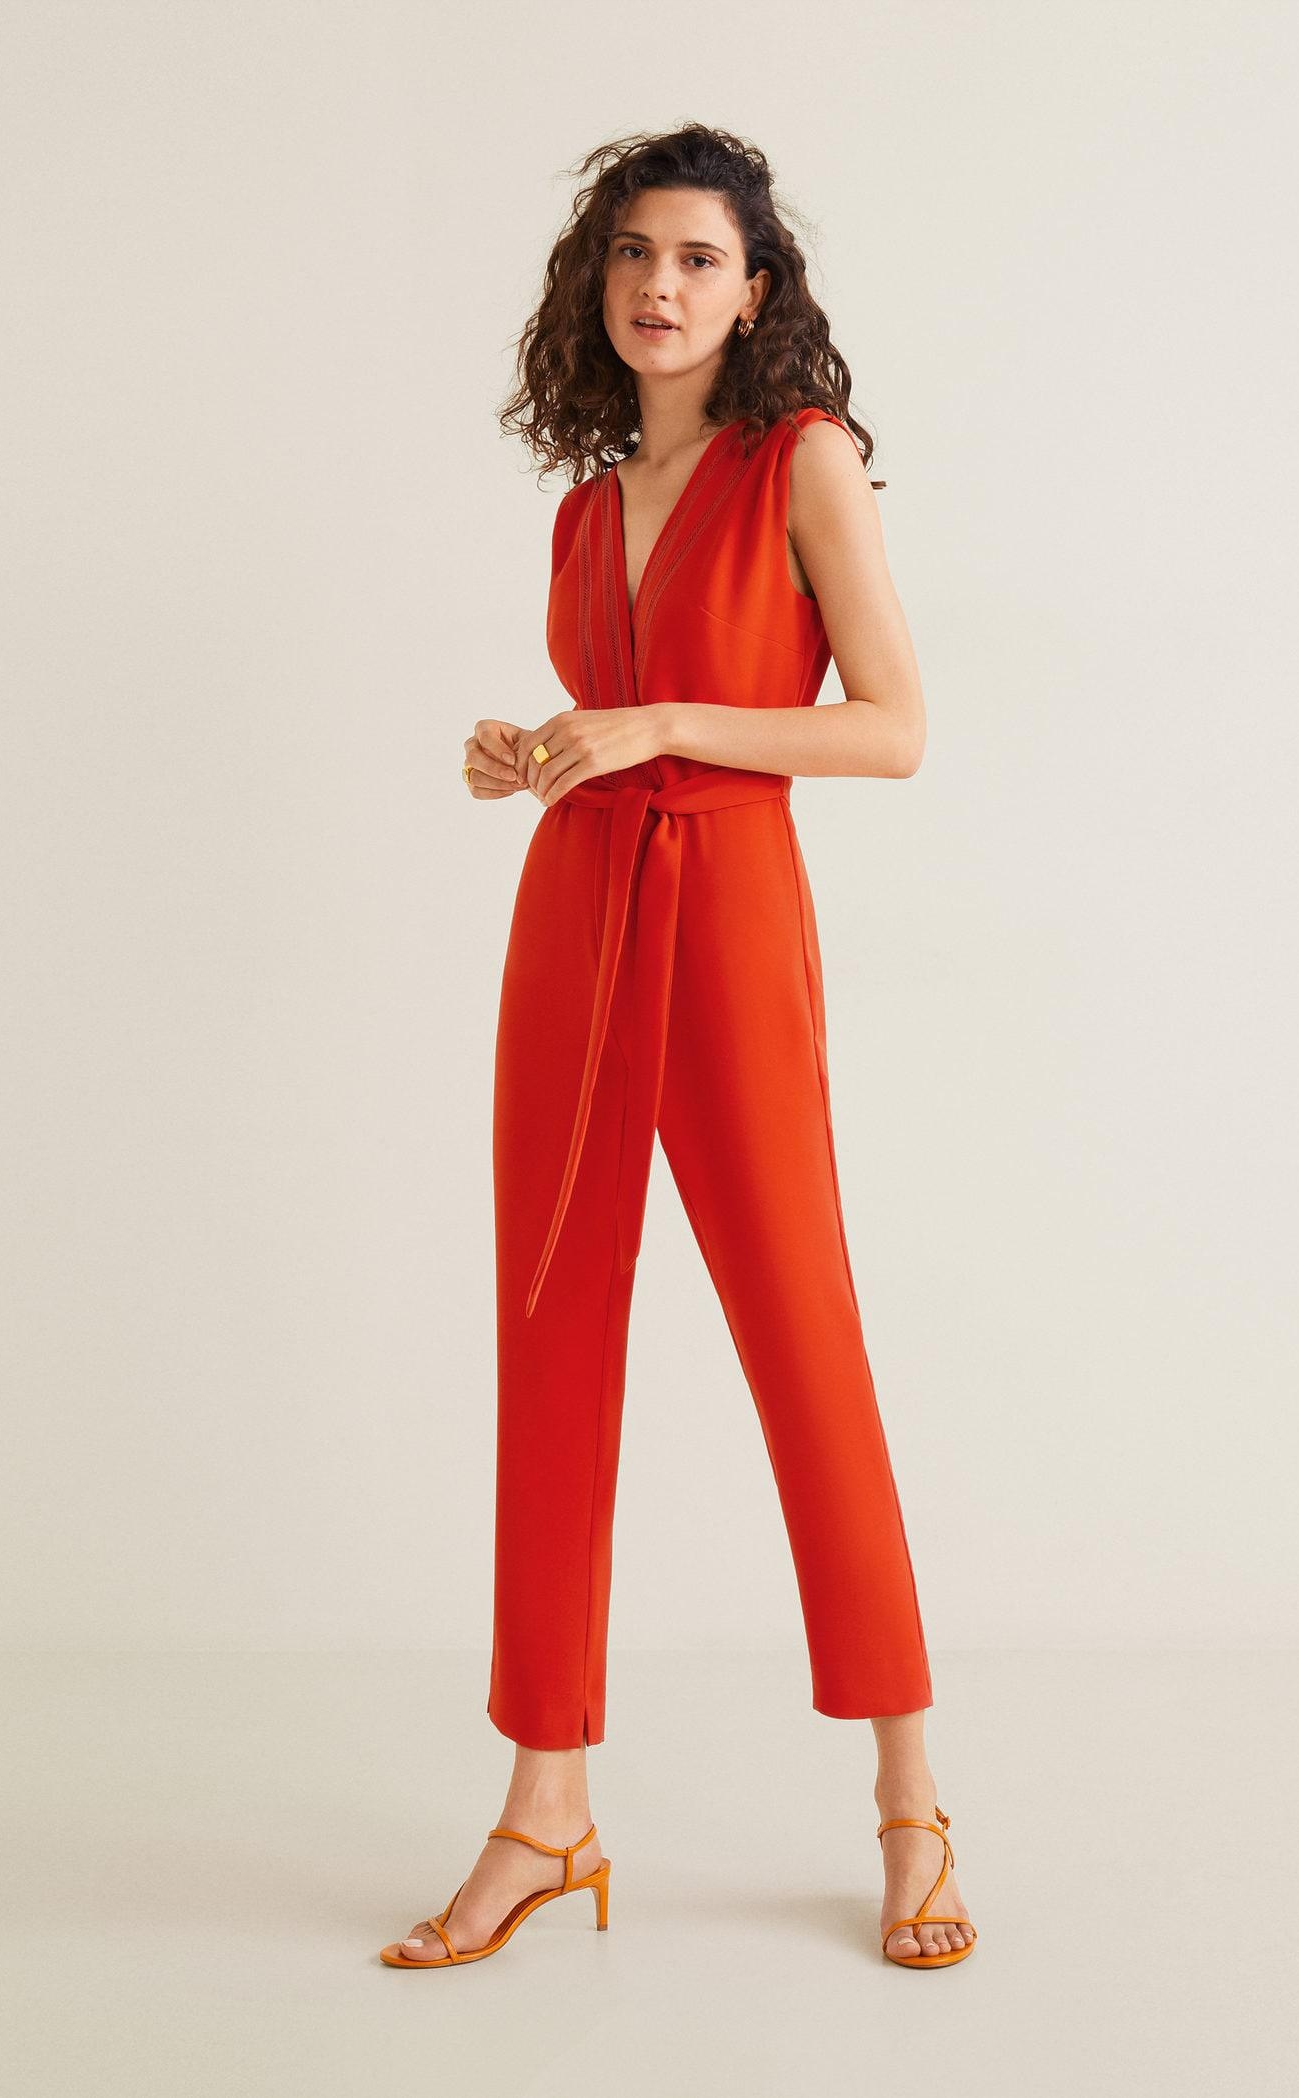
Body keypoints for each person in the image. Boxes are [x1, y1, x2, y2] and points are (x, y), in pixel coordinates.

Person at [381, 123, 977, 1973]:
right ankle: (543, 1807)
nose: (660, 285)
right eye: (634, 253)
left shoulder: (804, 462)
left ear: (755, 287)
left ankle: (911, 1800)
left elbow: (892, 728)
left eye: (699, 258)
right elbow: (614, 719)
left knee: (805, 1334)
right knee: (549, 1337)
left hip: (727, 915)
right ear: (600, 281)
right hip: (574, 911)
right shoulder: (585, 504)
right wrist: (541, 748)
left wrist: (660, 725)